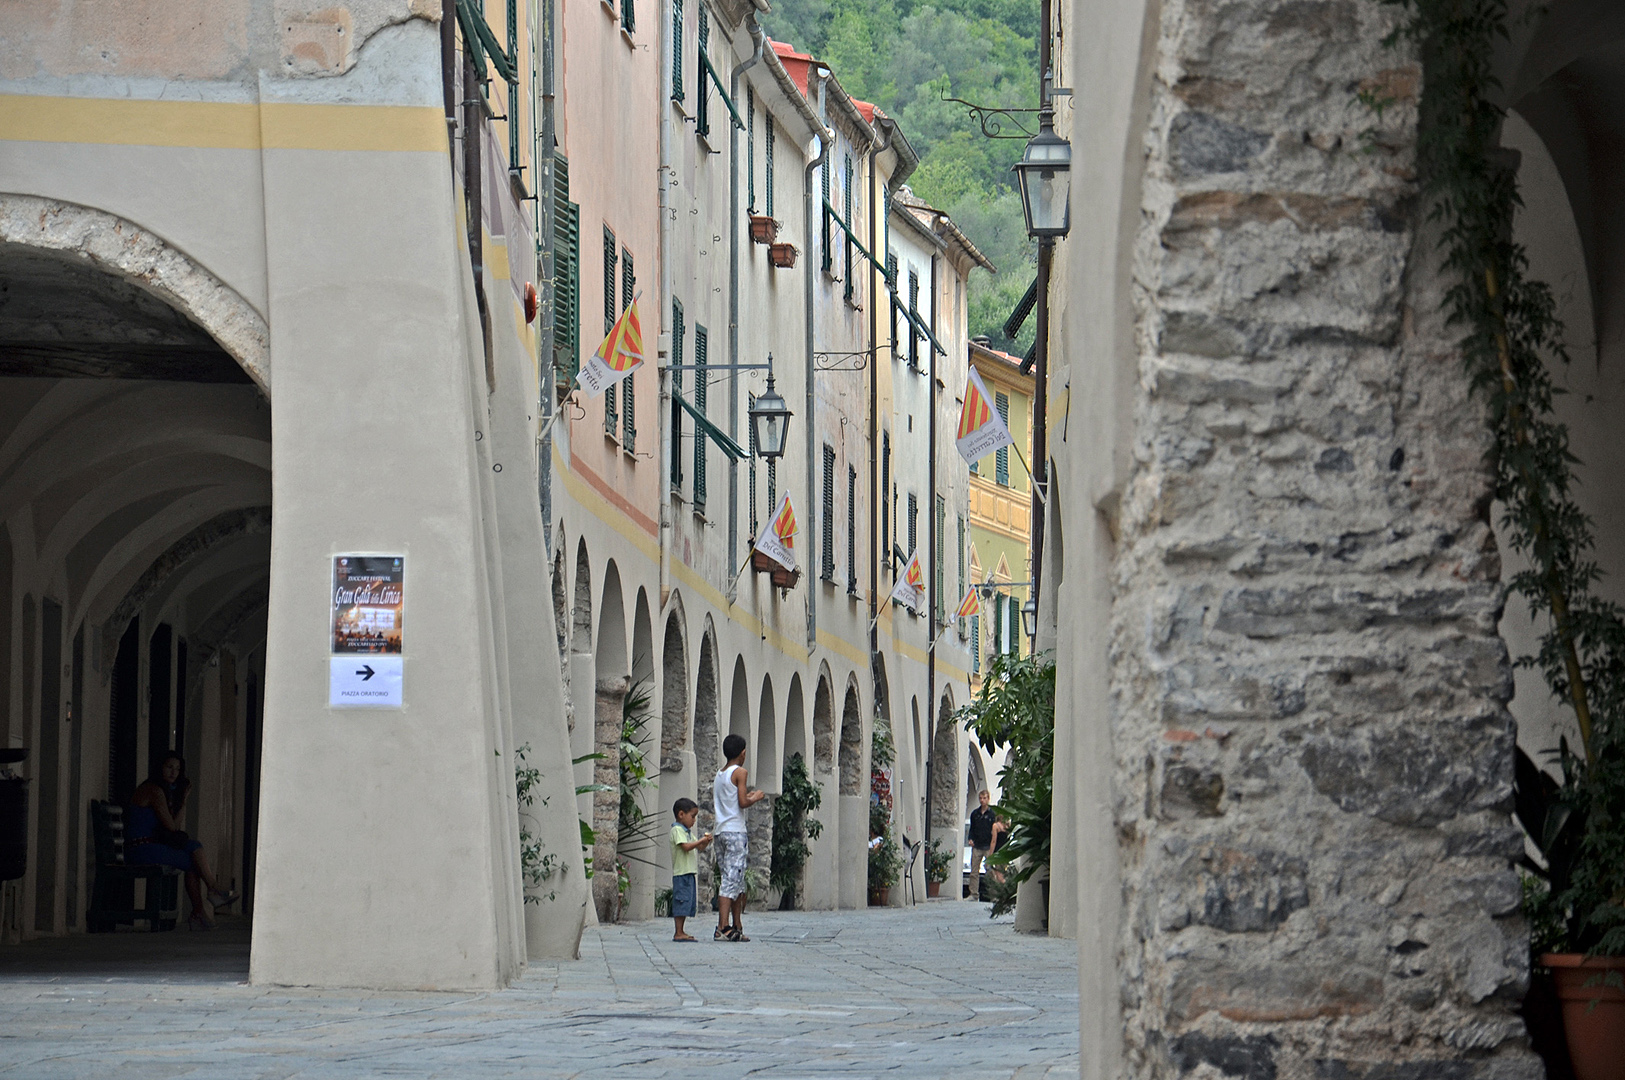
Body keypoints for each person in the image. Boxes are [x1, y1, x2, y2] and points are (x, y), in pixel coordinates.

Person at [127, 752, 238, 930]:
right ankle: (208, 898)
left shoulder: (163, 791)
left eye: (177, 769)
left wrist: (183, 801)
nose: (173, 772)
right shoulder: (153, 790)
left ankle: (204, 905)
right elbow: (172, 827)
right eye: (169, 767)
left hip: (151, 846)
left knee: (194, 850)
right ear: (160, 768)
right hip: (141, 848)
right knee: (194, 858)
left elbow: (175, 826)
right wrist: (182, 803)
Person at [712, 733, 765, 942]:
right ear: (742, 753)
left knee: (734, 877)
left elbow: (733, 800)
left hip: (721, 830)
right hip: (735, 831)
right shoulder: (740, 772)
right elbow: (742, 802)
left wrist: (748, 797)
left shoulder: (720, 774)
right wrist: (756, 797)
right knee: (730, 880)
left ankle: (737, 924)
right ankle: (723, 926)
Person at [669, 798, 712, 942]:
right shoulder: (677, 830)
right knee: (681, 901)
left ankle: (681, 930)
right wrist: (700, 841)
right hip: (681, 873)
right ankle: (678, 931)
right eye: (692, 816)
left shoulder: (687, 832)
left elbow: (698, 847)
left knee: (687, 902)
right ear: (681, 814)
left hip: (688, 872)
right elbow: (686, 847)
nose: (694, 820)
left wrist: (704, 843)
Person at [967, 789, 997, 902]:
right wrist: (970, 838)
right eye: (980, 798)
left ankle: (993, 894)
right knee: (974, 871)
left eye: (984, 798)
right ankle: (973, 894)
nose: (982, 800)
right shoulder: (975, 814)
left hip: (988, 846)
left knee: (990, 871)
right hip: (977, 845)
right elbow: (972, 828)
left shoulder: (992, 814)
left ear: (988, 799)